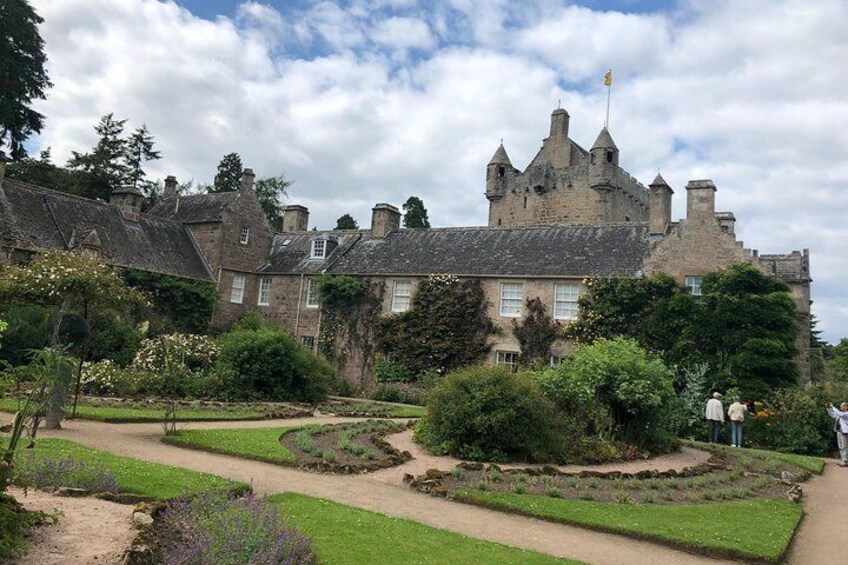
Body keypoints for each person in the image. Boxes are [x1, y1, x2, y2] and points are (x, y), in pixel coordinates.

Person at [826, 402, 848, 467]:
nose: (841, 407)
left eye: (842, 406)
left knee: (844, 447)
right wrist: (829, 408)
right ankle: (844, 460)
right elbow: (832, 415)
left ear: (846, 407)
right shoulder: (840, 413)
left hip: (845, 432)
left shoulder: (846, 414)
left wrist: (833, 407)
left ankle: (845, 461)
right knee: (841, 447)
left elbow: (840, 414)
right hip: (839, 431)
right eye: (841, 406)